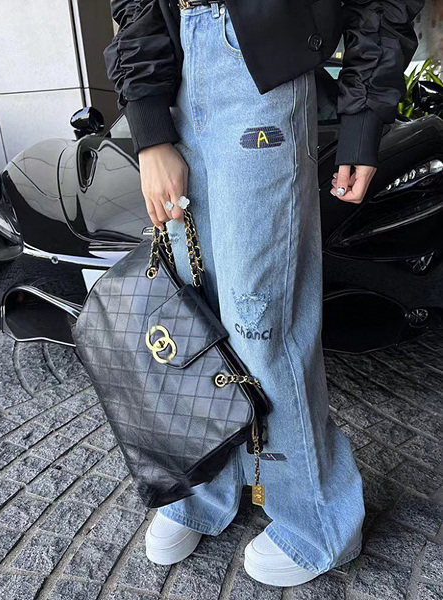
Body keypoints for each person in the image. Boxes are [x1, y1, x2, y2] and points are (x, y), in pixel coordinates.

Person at [103, 0, 423, 587]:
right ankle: (204, 487)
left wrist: (362, 119)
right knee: (190, 307)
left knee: (263, 315)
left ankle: (316, 520)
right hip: (176, 59)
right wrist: (149, 128)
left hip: (263, 73)